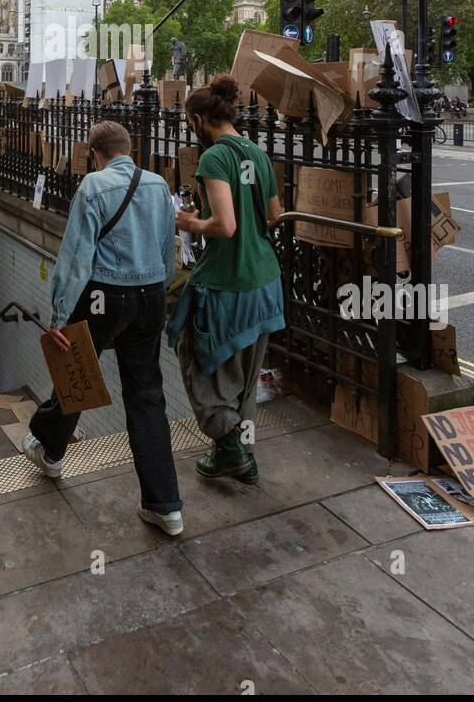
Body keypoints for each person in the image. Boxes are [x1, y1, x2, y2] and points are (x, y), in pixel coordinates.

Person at [22, 118, 184, 535]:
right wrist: (160, 292)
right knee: (147, 396)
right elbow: (170, 251)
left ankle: (50, 447)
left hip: (102, 296)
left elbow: (76, 257)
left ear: (95, 153)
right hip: (149, 295)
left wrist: (59, 314)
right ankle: (165, 506)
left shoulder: (93, 187)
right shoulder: (158, 186)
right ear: (129, 148)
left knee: (79, 376)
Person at [168, 75, 285, 482]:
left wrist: (190, 222)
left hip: (228, 283)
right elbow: (273, 215)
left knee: (198, 363)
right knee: (245, 380)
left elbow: (225, 225)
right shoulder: (258, 152)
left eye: (190, 124)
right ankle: (241, 458)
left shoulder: (215, 157)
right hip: (266, 283)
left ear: (200, 119)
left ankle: (229, 447)